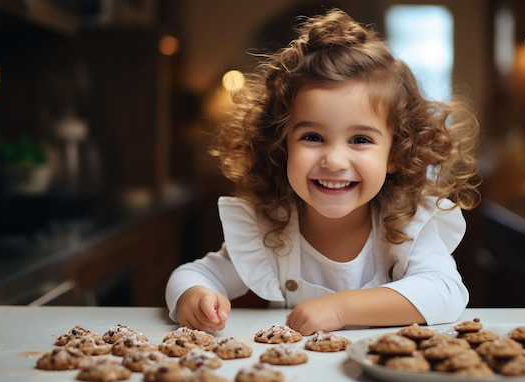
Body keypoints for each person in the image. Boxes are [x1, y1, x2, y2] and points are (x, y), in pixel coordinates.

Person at [165, 8, 480, 335]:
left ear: (396, 153)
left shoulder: (408, 223)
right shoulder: (271, 227)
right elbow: (192, 275)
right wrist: (196, 297)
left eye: (359, 139)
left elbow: (446, 291)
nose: (334, 160)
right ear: (282, 145)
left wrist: (341, 309)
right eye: (312, 137)